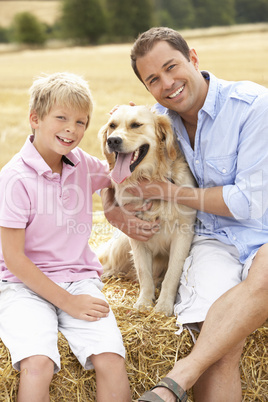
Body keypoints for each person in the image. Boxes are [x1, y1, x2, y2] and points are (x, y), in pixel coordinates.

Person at [101, 27, 268, 401]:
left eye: (172, 67)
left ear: (193, 58)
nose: (168, 83)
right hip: (210, 239)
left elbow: (246, 204)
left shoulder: (255, 105)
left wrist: (167, 191)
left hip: (263, 232)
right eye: (154, 79)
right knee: (215, 336)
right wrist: (113, 211)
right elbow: (110, 163)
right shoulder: (157, 121)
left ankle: (176, 379)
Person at [0, 72, 131, 402]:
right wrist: (67, 303)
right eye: (61, 118)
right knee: (38, 364)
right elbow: (14, 259)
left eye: (81, 122)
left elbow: (121, 175)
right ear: (35, 118)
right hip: (21, 286)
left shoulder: (81, 164)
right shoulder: (13, 179)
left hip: (78, 279)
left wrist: (126, 123)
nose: (71, 129)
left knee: (111, 359)